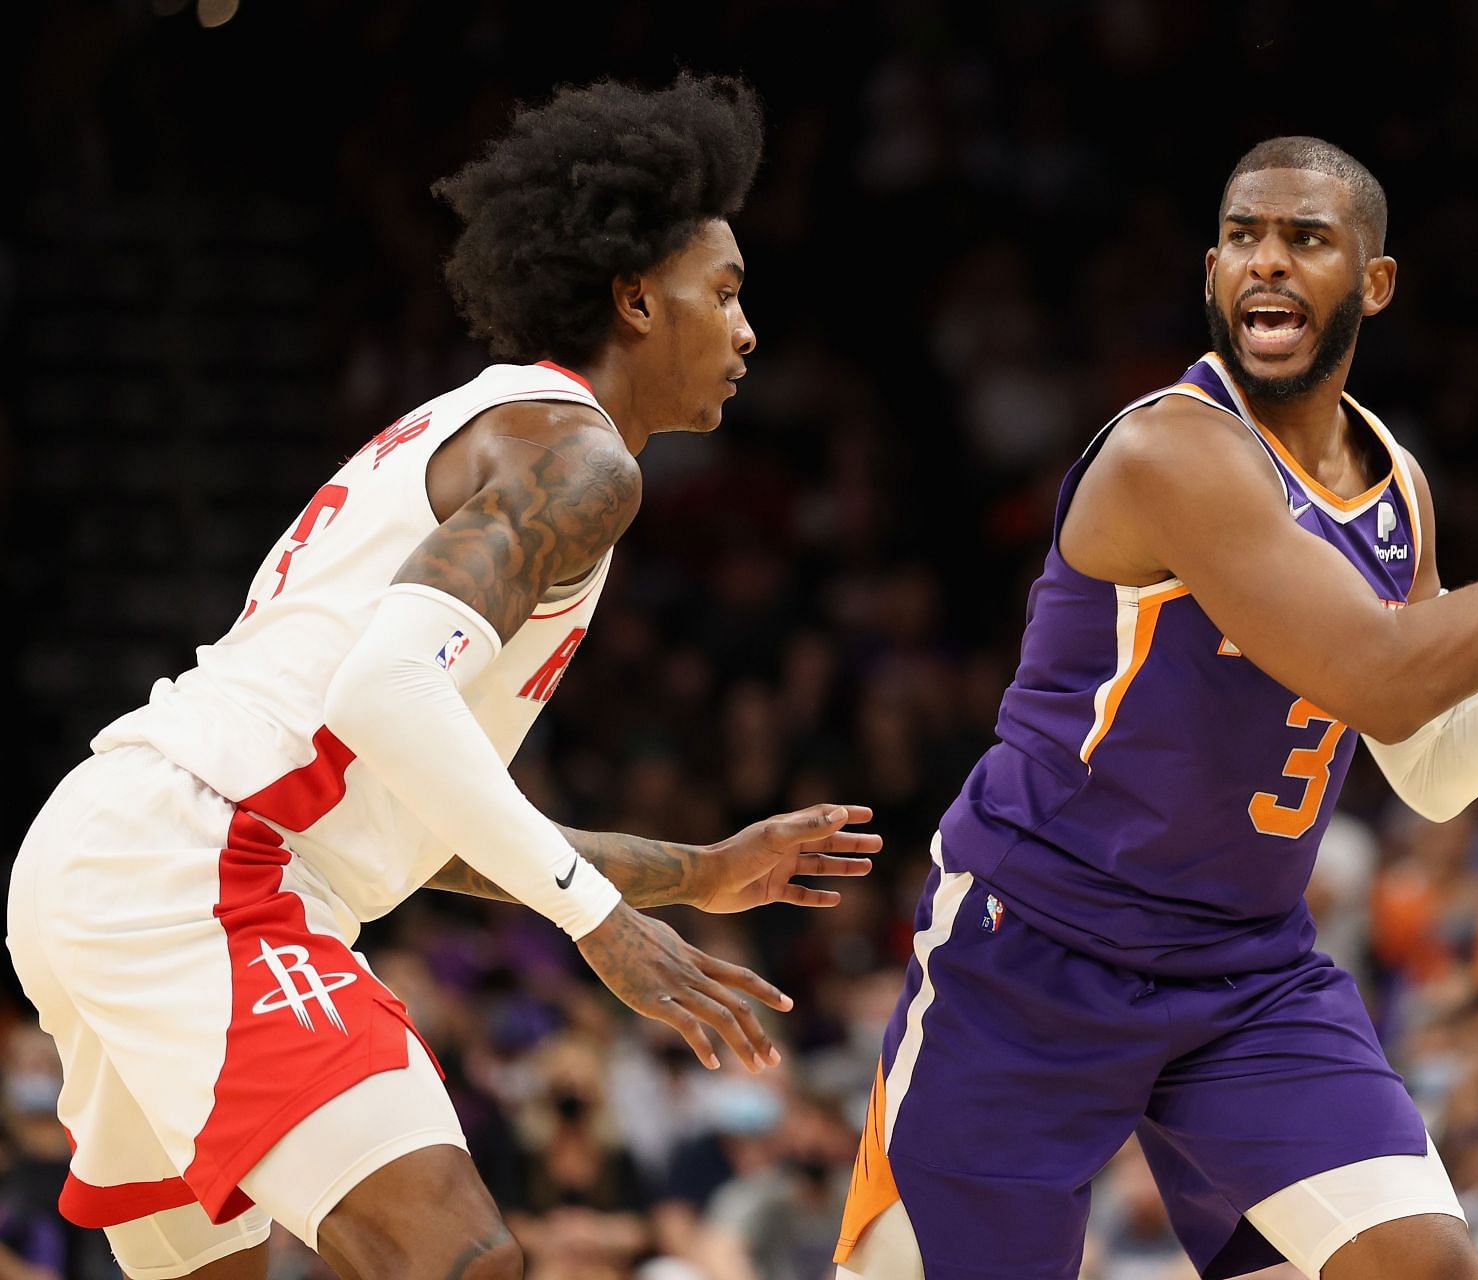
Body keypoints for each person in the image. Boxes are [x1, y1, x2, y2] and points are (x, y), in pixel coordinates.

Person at [834, 135, 1478, 1280]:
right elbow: (1381, 672)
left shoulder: (1395, 481)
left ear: (1374, 282)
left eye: (1305, 238)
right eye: (1243, 237)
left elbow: (1428, 762)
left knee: (1435, 1268)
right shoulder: (1170, 448)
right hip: (1033, 949)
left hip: (1245, 970)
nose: (1267, 263)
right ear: (1211, 271)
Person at [6, 73, 880, 1280]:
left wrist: (698, 873)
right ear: (634, 298)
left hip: (132, 845)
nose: (744, 331)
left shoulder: (490, 430)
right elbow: (384, 699)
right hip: (205, 863)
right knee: (460, 1258)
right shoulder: (578, 461)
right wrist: (598, 921)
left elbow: (412, 804)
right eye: (722, 293)